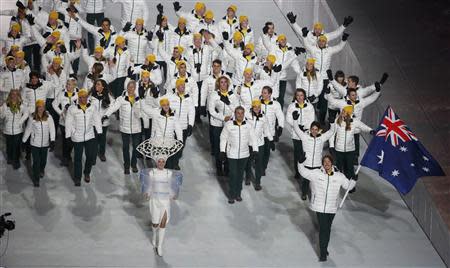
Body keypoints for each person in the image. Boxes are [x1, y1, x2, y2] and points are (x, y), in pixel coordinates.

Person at [298, 153, 356, 262]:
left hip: (332, 208)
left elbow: (348, 186)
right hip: (319, 207)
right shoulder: (316, 174)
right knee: (324, 229)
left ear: (332, 163)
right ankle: (323, 253)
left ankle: (324, 246)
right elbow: (303, 172)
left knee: (327, 229)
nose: (326, 164)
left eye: (328, 161)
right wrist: (300, 163)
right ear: (322, 164)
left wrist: (354, 180)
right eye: (324, 162)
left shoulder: (339, 176)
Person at [139, 138, 183, 257]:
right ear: (156, 162)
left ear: (165, 162)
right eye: (159, 161)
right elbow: (148, 185)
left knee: (163, 223)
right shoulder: (151, 173)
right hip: (154, 200)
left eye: (163, 161)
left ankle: (160, 246)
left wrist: (173, 194)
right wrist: (147, 193)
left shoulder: (169, 173)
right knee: (155, 223)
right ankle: (154, 235)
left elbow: (170, 186)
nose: (161, 163)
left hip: (165, 201)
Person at [219, 106, 258, 203]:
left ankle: (238, 194)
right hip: (232, 154)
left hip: (244, 155)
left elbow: (253, 138)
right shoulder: (228, 125)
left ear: (244, 114)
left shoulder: (248, 125)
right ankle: (232, 194)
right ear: (235, 114)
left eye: (241, 113)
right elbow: (223, 138)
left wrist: (255, 150)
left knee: (240, 175)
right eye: (238, 113)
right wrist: (222, 151)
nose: (240, 115)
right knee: (233, 174)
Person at [331, 107, 374, 193]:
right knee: (338, 168)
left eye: (345, 111)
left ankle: (350, 186)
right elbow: (332, 134)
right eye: (342, 111)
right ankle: (337, 185)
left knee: (349, 169)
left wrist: (371, 131)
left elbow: (363, 127)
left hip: (350, 150)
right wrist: (331, 146)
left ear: (349, 113)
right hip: (339, 149)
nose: (342, 112)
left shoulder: (354, 122)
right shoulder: (337, 121)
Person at [103, 80, 142, 174]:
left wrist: (136, 105)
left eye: (133, 87)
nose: (131, 89)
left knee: (136, 147)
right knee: (125, 147)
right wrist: (106, 115)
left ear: (135, 88)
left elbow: (140, 113)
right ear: (127, 88)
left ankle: (134, 164)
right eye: (129, 87)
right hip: (125, 127)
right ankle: (127, 165)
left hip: (136, 128)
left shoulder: (138, 99)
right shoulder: (121, 99)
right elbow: (113, 107)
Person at [65, 89, 102, 186]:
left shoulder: (92, 107)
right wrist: (68, 135)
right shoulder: (72, 109)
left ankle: (87, 173)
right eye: (81, 97)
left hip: (90, 135)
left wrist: (99, 131)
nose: (83, 99)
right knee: (77, 158)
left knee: (90, 156)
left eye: (85, 97)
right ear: (78, 98)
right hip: (77, 137)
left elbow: (97, 119)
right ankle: (77, 178)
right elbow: (68, 123)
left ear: (87, 97)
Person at [293, 121, 336, 200]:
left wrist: (332, 124)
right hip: (307, 164)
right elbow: (296, 129)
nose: (314, 131)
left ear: (319, 130)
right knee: (305, 181)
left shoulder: (322, 138)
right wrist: (295, 121)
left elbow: (332, 131)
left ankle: (315, 196)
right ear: (310, 129)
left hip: (317, 165)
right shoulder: (305, 137)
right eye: (312, 129)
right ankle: (304, 193)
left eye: (316, 129)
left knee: (316, 182)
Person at [208, 75, 238, 175]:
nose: (223, 84)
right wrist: (222, 117)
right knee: (218, 146)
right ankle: (219, 167)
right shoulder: (214, 95)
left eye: (225, 82)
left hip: (229, 124)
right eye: (221, 82)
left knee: (228, 145)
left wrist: (228, 103)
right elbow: (211, 110)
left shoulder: (232, 95)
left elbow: (237, 110)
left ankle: (227, 167)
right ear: (218, 84)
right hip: (217, 124)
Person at [22, 99, 56, 187]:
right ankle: (36, 179)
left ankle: (41, 170)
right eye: (39, 107)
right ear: (36, 108)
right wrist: (24, 141)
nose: (40, 108)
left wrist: (52, 140)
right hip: (34, 144)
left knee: (43, 161)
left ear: (44, 108)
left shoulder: (49, 117)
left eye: (42, 107)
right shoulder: (32, 117)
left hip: (45, 144)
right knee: (36, 161)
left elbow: (52, 129)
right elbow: (28, 130)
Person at [144, 98, 183, 169]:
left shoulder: (174, 115)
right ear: (161, 106)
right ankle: (160, 178)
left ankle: (168, 178)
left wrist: (180, 140)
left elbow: (178, 129)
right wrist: (141, 99)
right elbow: (145, 109)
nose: (166, 106)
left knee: (170, 165)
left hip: (169, 143)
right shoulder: (156, 113)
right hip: (159, 143)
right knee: (160, 165)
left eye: (167, 105)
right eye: (164, 105)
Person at [285, 88, 315, 179]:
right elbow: (288, 119)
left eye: (301, 95)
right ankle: (298, 171)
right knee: (297, 153)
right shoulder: (292, 106)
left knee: (306, 152)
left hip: (306, 133)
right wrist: (297, 126)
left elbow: (311, 119)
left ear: (304, 96)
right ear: (295, 96)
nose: (299, 97)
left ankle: (306, 170)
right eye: (297, 95)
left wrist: (305, 127)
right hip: (296, 134)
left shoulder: (309, 106)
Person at [167, 78, 196, 169]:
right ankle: (169, 162)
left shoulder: (189, 98)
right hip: (172, 127)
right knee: (171, 146)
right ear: (176, 87)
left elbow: (191, 112)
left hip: (183, 127)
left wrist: (190, 124)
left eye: (183, 86)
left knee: (180, 146)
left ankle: (176, 162)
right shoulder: (171, 97)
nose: (181, 87)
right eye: (180, 86)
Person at [245, 99, 273, 190]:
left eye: (258, 107)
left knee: (259, 163)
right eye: (255, 107)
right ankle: (248, 177)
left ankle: (257, 182)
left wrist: (271, 140)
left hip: (260, 144)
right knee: (248, 161)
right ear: (252, 107)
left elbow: (267, 130)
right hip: (249, 143)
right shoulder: (247, 115)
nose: (257, 108)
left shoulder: (264, 118)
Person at [52, 77, 79, 166]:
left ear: (74, 85)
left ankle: (68, 155)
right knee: (65, 140)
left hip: (75, 123)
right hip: (64, 122)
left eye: (70, 84)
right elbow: (54, 104)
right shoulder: (61, 94)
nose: (67, 86)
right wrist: (60, 113)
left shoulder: (78, 94)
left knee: (71, 140)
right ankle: (65, 157)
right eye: (67, 84)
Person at [287, 12, 353, 48]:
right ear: (314, 29)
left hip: (322, 58)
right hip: (310, 60)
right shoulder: (308, 34)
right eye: (316, 29)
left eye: (319, 29)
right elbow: (298, 30)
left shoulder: (325, 36)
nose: (317, 30)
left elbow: (336, 33)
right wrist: (293, 22)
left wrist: (344, 25)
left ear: (321, 30)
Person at [0, 89, 28, 169]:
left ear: (18, 96)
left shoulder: (21, 105)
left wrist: (20, 122)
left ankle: (16, 161)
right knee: (9, 145)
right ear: (10, 95)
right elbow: (2, 117)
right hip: (7, 129)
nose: (14, 96)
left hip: (18, 130)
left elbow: (26, 113)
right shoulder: (6, 105)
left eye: (16, 94)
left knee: (16, 146)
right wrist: (3, 109)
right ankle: (10, 157)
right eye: (12, 94)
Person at [260, 86, 284, 173]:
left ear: (270, 94)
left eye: (265, 93)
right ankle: (258, 164)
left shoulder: (276, 104)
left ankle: (263, 168)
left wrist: (280, 127)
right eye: (262, 92)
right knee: (259, 151)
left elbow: (280, 116)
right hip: (259, 132)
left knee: (266, 151)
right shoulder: (258, 102)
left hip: (270, 132)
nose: (263, 94)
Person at [89, 79, 114, 162]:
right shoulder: (91, 95)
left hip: (104, 122)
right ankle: (93, 157)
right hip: (94, 122)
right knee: (94, 139)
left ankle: (102, 154)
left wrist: (106, 116)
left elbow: (112, 107)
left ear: (103, 86)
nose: (96, 86)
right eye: (96, 84)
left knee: (102, 139)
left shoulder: (108, 96)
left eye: (98, 84)